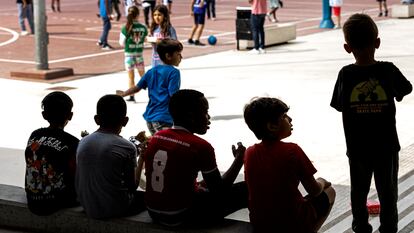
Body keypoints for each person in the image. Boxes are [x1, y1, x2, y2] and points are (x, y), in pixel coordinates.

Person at [330, 13, 412, 233]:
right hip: (386, 146)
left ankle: (361, 226)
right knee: (388, 192)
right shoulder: (388, 70)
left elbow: (339, 104)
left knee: (359, 191)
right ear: (377, 43)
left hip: (357, 147)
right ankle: (389, 228)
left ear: (347, 48)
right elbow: (406, 89)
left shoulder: (345, 74)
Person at [143, 89, 248, 226]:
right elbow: (220, 191)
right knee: (247, 188)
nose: (208, 117)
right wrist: (239, 160)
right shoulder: (200, 146)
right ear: (191, 116)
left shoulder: (157, 137)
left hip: (154, 211)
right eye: (205, 112)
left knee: (203, 183)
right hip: (180, 216)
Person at [243, 97, 336, 232]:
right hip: (291, 222)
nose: (290, 119)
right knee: (330, 192)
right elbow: (314, 190)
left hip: (260, 223)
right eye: (284, 116)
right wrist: (322, 181)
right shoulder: (292, 150)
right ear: (272, 126)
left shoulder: (249, 152)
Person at [75, 94, 145, 219]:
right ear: (125, 121)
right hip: (114, 209)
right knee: (145, 197)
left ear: (96, 119)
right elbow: (133, 186)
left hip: (87, 206)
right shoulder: (127, 147)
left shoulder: (83, 141)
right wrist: (142, 159)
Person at [24, 91, 79, 216]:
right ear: (70, 116)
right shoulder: (72, 142)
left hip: (33, 200)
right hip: (57, 202)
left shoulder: (35, 135)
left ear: (44, 115)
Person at [117, 38, 183, 135]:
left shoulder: (151, 71)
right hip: (164, 117)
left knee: (158, 144)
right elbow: (174, 95)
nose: (181, 57)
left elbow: (137, 87)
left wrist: (124, 94)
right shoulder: (174, 72)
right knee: (164, 146)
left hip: (150, 117)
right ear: (168, 56)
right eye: (178, 54)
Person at [119, 5, 148, 102]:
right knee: (144, 77)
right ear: (138, 15)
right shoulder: (143, 27)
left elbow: (121, 42)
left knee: (131, 77)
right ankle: (153, 93)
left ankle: (132, 96)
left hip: (129, 56)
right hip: (139, 55)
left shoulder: (125, 28)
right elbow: (145, 39)